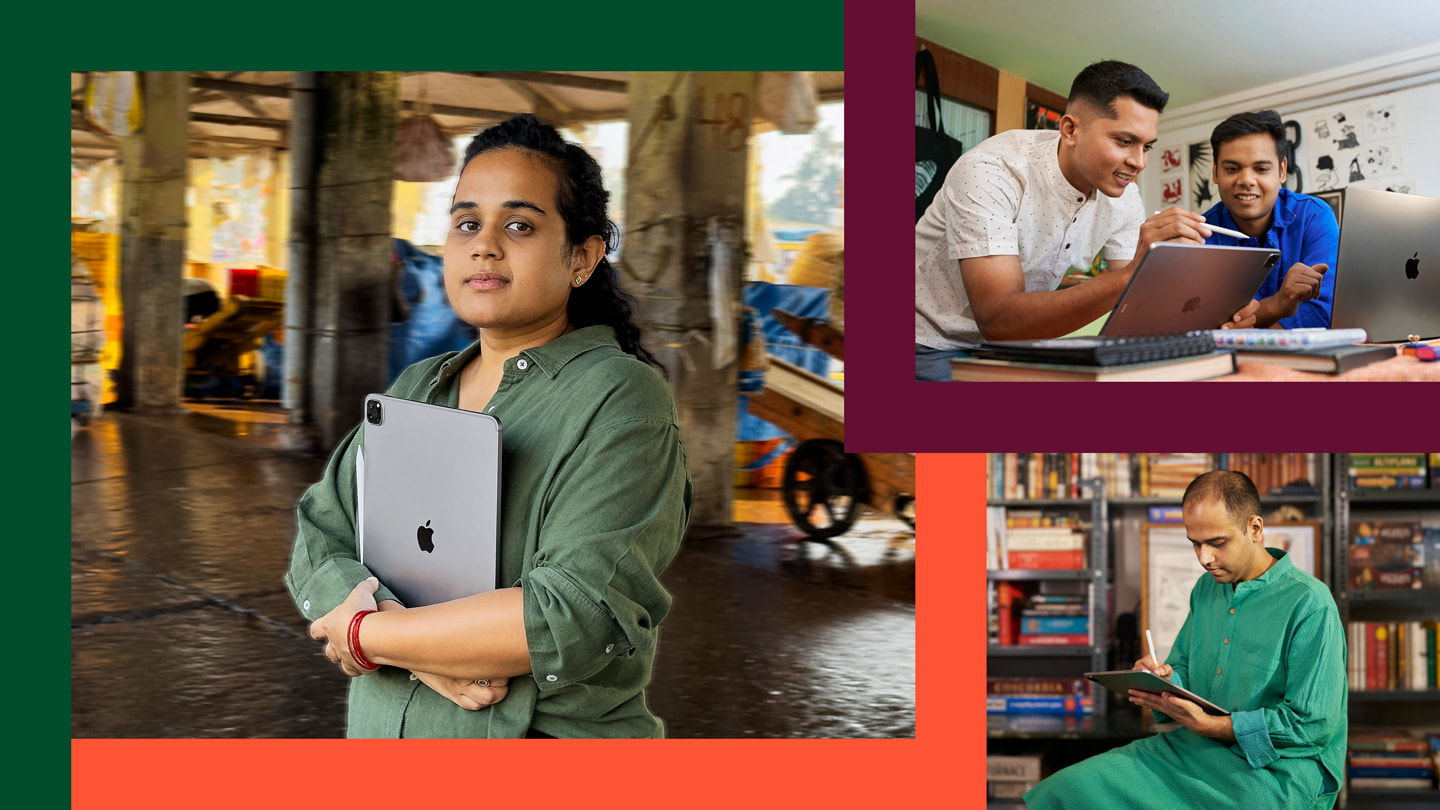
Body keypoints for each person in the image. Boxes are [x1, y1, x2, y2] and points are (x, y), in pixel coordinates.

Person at [285, 114, 693, 738]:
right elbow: (321, 531)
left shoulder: (619, 399)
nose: (485, 245)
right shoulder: (417, 387)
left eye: (520, 225)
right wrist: (420, 653)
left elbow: (569, 615)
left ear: (583, 257)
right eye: (468, 222)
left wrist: (368, 634)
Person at [915, 60, 1260, 381]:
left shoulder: (1125, 196)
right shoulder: (992, 171)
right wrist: (1134, 273)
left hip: (1010, 347)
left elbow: (1138, 303)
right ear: (1070, 130)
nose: (1139, 162)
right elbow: (998, 319)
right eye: (1124, 141)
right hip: (930, 340)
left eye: (1147, 147)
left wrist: (1212, 313)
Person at [1024, 471, 1346, 809]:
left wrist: (1214, 726)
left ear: (1254, 529)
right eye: (1195, 543)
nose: (1204, 558)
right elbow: (1184, 670)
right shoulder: (1206, 589)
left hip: (1277, 769)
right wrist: (1162, 680)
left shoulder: (1310, 603)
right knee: (1066, 788)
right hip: (1195, 749)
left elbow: (1313, 725)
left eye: (1217, 543)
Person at [1201, 110, 1338, 329]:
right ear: (1216, 173)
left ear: (1282, 171)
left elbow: (1322, 311)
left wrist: (1245, 329)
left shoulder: (1314, 216)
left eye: (1261, 169)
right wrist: (1277, 305)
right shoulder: (1200, 237)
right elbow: (1203, 325)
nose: (1247, 180)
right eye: (1232, 169)